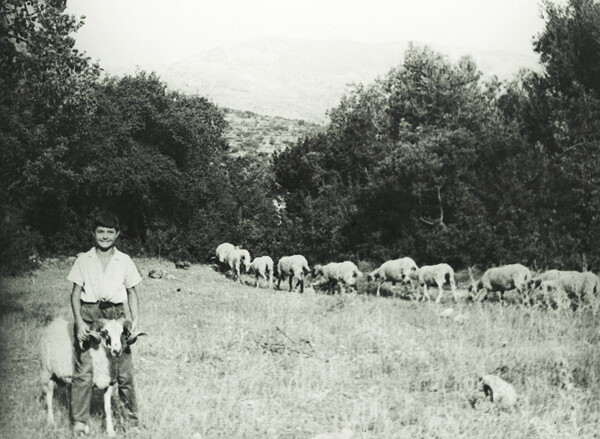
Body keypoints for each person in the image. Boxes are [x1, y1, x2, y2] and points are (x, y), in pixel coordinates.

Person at [67, 209, 142, 435]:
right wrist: (79, 322)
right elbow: (74, 294)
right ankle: (80, 422)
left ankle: (131, 422)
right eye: (101, 231)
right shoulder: (83, 260)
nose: (105, 236)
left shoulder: (124, 261)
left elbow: (132, 292)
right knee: (84, 370)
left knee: (124, 372)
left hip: (116, 317)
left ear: (117, 234)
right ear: (93, 233)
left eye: (110, 232)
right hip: (89, 316)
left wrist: (134, 321)